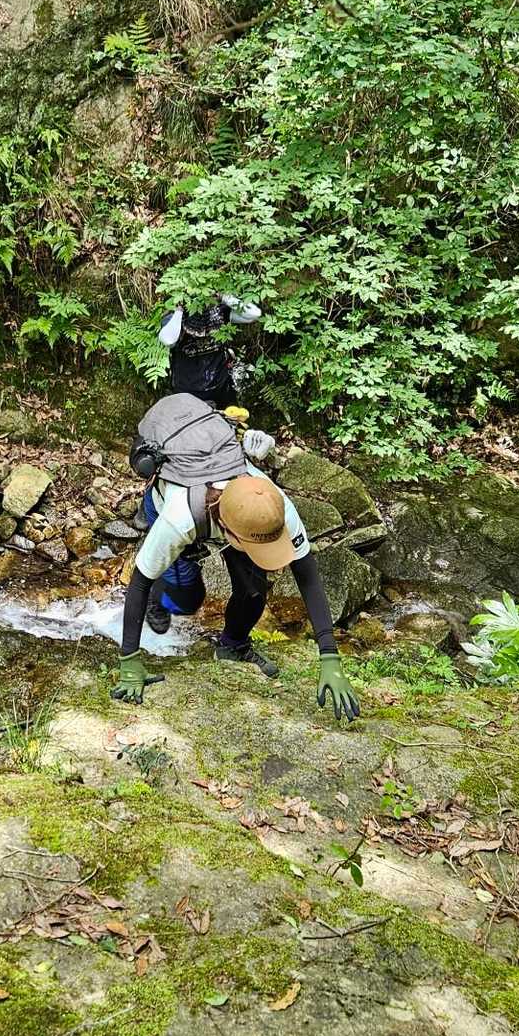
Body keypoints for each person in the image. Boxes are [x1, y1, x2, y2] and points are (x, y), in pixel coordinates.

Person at [111, 458, 361, 722]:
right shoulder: (178, 518)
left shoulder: (275, 511)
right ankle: (160, 596)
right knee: (187, 600)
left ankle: (233, 646)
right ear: (229, 532)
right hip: (178, 508)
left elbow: (307, 577)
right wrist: (129, 661)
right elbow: (139, 582)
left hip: (239, 523)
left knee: (253, 592)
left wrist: (329, 655)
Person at [159, 294, 262, 409]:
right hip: (187, 394)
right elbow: (168, 340)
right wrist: (179, 310)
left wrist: (225, 297)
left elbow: (254, 314)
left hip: (221, 391)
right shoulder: (176, 318)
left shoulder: (219, 313)